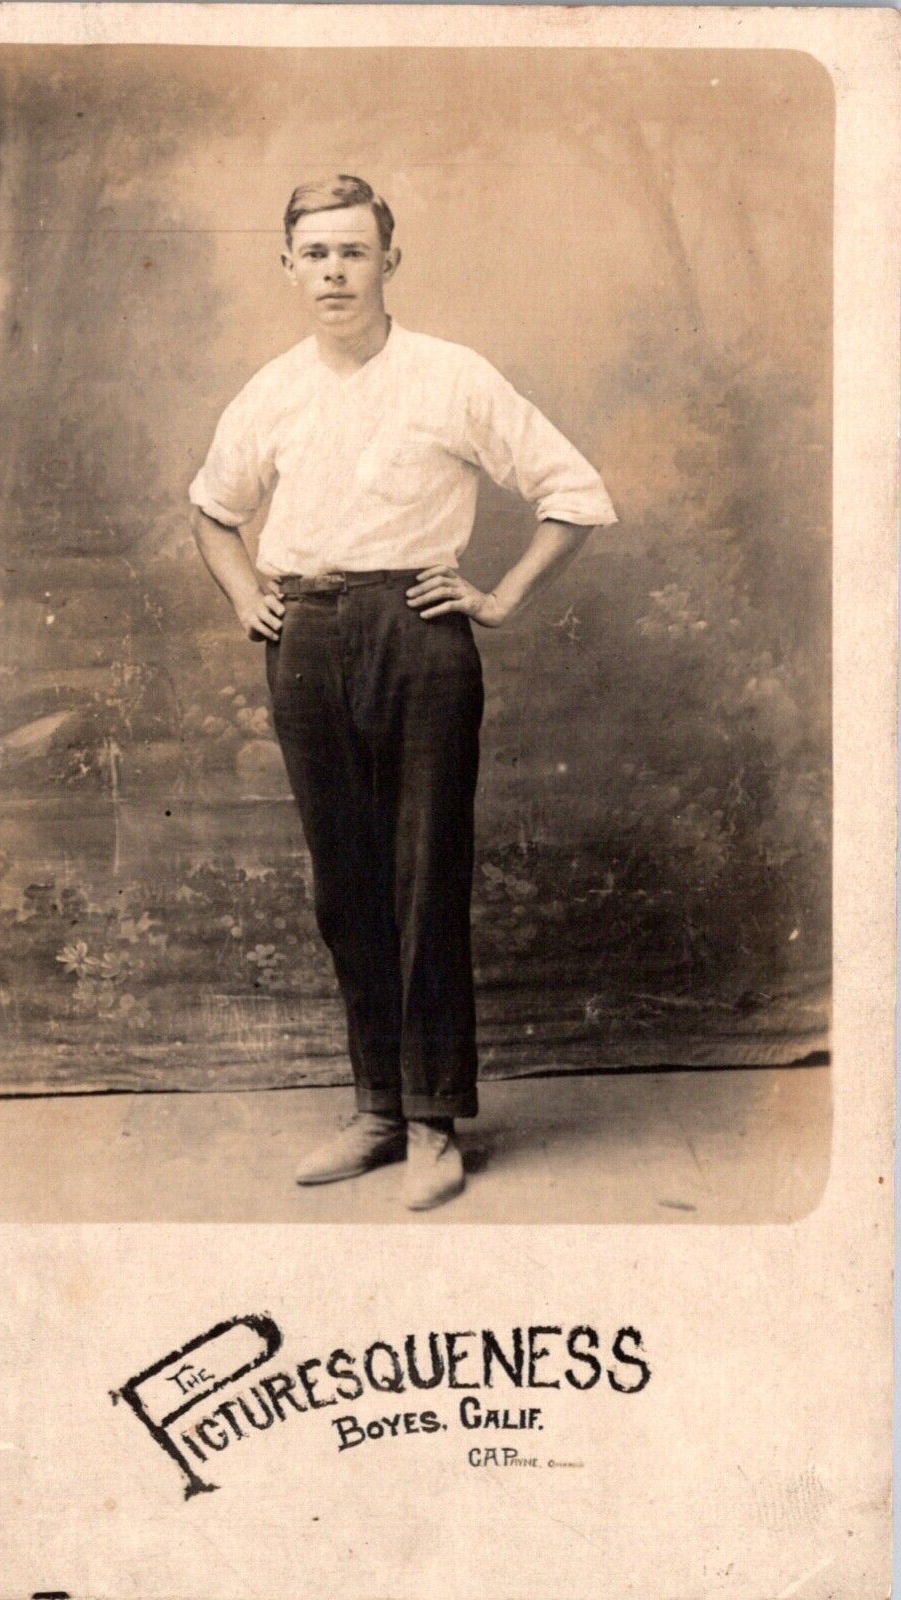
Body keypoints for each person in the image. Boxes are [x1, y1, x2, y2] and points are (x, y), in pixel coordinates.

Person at [189, 175, 617, 1210]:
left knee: (424, 876)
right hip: (306, 637)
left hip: (421, 638)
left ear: (390, 258)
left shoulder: (451, 376)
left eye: (354, 250)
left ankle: (433, 1122)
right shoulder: (272, 388)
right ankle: (377, 1107)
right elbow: (212, 511)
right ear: (287, 266)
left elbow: (574, 491)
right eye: (315, 253)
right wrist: (248, 592)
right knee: (346, 885)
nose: (335, 270)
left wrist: (500, 594)